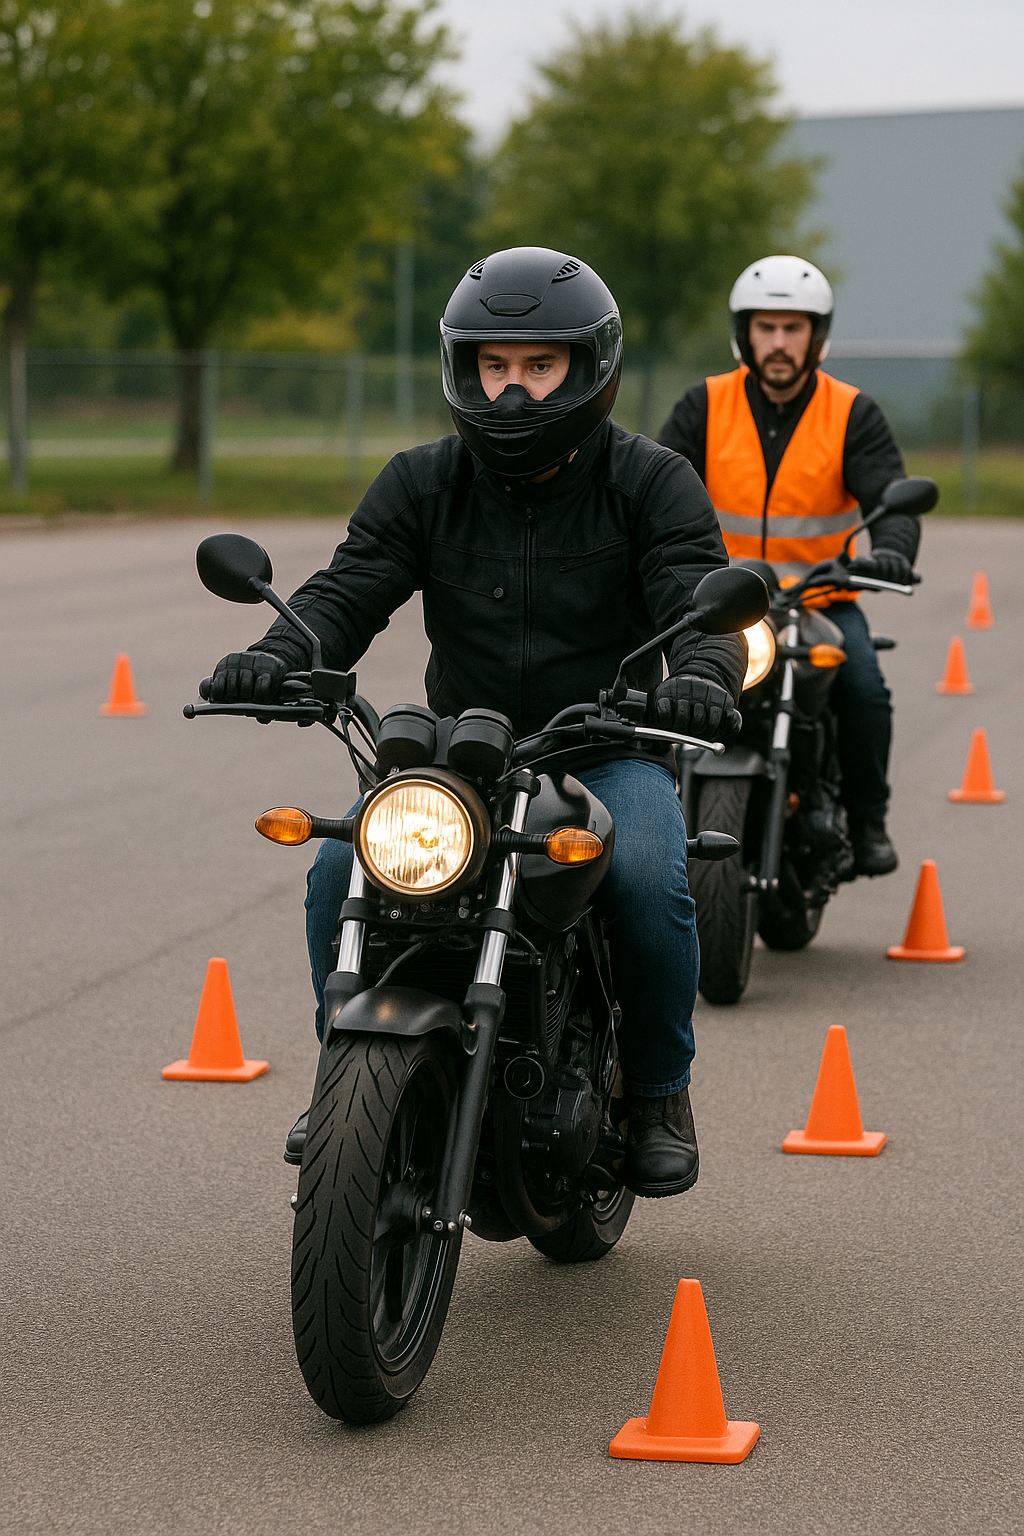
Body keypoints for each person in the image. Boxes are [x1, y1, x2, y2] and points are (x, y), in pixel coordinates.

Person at [206, 246, 746, 1199]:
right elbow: (347, 590)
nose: (514, 392)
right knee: (338, 870)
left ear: (591, 368)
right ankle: (345, 1081)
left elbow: (697, 599)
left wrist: (701, 674)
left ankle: (660, 1092)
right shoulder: (422, 482)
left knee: (651, 873)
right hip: (459, 757)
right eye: (494, 367)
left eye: (540, 366)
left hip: (602, 750)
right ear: (464, 368)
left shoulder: (651, 481)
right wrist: (280, 653)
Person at [658, 255, 920, 877]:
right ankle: (650, 821)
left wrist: (892, 550)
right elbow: (656, 490)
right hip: (721, 604)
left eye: (793, 328)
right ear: (744, 333)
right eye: (767, 327)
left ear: (816, 336)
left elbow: (891, 499)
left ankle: (867, 821)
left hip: (818, 602)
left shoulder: (852, 412)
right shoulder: (704, 405)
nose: (779, 342)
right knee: (652, 690)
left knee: (864, 689)